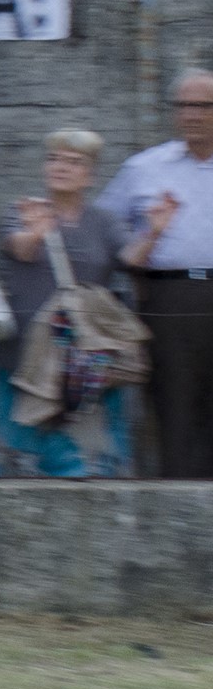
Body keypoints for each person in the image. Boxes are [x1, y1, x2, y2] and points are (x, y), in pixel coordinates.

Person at [0, 129, 134, 478]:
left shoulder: (105, 221)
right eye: (54, 159)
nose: (61, 167)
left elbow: (132, 259)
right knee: (19, 457)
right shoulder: (23, 209)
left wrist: (158, 230)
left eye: (74, 162)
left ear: (90, 175)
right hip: (26, 353)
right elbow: (20, 247)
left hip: (85, 356)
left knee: (90, 460)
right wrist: (38, 231)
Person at [102, 66, 213, 478]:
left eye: (203, 105)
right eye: (183, 106)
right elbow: (108, 233)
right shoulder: (145, 168)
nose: (192, 114)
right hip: (169, 299)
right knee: (174, 405)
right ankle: (181, 514)